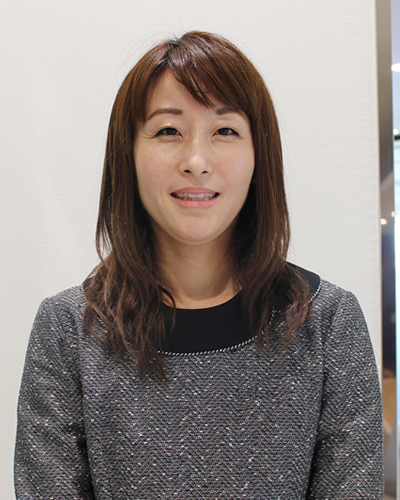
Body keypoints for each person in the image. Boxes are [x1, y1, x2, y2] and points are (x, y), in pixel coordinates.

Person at [15, 31, 383, 499]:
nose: (196, 160)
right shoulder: (68, 330)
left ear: (259, 156)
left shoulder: (327, 324)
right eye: (168, 131)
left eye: (225, 131)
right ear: (128, 156)